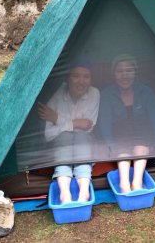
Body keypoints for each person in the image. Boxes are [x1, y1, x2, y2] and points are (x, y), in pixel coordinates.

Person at [98, 54, 155, 193]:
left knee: (140, 147)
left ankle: (137, 182)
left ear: (135, 72)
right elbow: (104, 123)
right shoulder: (107, 94)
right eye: (120, 71)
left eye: (129, 70)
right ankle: (124, 183)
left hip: (143, 133)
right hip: (120, 135)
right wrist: (110, 144)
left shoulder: (146, 91)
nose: (125, 75)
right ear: (114, 74)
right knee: (123, 150)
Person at [38, 62, 100, 203]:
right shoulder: (56, 94)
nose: (81, 81)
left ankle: (84, 193)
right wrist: (75, 123)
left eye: (86, 77)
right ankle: (64, 194)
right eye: (76, 76)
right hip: (59, 141)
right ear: (67, 78)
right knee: (65, 139)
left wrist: (58, 119)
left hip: (84, 140)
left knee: (82, 139)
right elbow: (49, 134)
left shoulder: (94, 93)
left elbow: (89, 126)